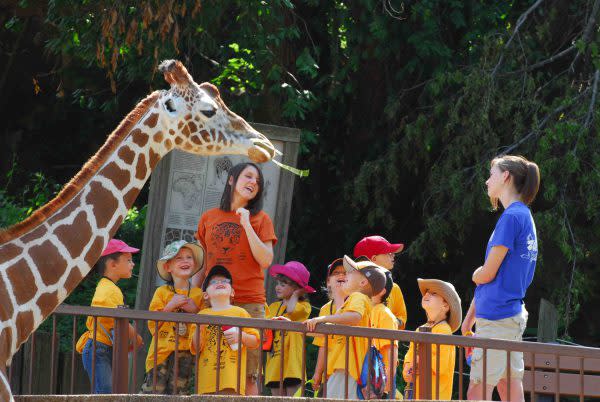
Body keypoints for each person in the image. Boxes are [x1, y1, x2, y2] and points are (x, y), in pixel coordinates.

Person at [193, 162, 277, 395]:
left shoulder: (262, 219)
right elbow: (202, 263)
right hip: (214, 304)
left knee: (249, 375)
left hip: (249, 302)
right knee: (211, 368)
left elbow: (266, 260)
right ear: (231, 179)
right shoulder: (208, 217)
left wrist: (247, 224)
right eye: (248, 176)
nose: (253, 183)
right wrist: (193, 296)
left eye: (257, 181)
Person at [462, 155, 540, 402]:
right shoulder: (523, 216)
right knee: (509, 386)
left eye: (492, 174)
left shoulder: (511, 218)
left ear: (506, 176)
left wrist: (475, 273)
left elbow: (487, 274)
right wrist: (469, 321)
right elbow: (499, 278)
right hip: (508, 317)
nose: (487, 181)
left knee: (477, 389)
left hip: (496, 320)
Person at [304, 255, 385, 399]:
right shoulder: (353, 300)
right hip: (345, 368)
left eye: (350, 272)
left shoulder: (357, 297)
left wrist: (324, 318)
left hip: (347, 368)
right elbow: (323, 336)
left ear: (363, 281)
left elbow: (355, 317)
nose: (345, 274)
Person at [76, 239, 143, 394]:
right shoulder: (109, 289)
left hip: (101, 348)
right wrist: (136, 338)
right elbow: (119, 320)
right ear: (112, 264)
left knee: (106, 392)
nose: (132, 264)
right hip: (98, 348)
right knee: (105, 393)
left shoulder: (108, 287)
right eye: (128, 260)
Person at [141, 240, 204, 394]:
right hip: (161, 352)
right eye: (178, 258)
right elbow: (152, 324)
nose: (185, 261)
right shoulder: (162, 292)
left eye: (189, 257)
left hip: (186, 354)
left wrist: (195, 311)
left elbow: (206, 325)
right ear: (168, 267)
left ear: (195, 265)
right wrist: (170, 306)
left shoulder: (198, 295)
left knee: (179, 394)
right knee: (152, 393)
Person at [190, 265, 260, 395]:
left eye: (224, 281)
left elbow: (255, 341)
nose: (220, 283)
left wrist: (241, 336)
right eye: (214, 282)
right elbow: (196, 346)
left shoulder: (240, 313)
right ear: (205, 295)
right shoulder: (201, 315)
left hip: (233, 382)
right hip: (207, 382)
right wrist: (200, 327)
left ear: (232, 292)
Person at [402, 279, 461, 400]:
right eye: (426, 292)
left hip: (435, 395)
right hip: (417, 392)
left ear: (445, 305)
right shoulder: (420, 329)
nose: (426, 294)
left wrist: (418, 360)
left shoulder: (444, 330)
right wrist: (408, 366)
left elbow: (441, 365)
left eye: (433, 293)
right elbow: (410, 355)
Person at [264, 261, 315, 396]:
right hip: (274, 362)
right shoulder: (274, 306)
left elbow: (292, 310)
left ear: (296, 288)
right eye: (278, 283)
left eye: (283, 284)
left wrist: (296, 295)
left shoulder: (304, 306)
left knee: (293, 398)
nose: (278, 287)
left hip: (293, 363)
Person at [354, 235, 408, 328]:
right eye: (388, 252)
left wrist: (388, 320)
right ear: (374, 259)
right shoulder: (352, 287)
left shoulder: (394, 288)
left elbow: (402, 319)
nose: (393, 255)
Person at [310, 258, 347, 393]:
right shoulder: (325, 309)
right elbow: (323, 344)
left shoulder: (356, 303)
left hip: (348, 369)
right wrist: (317, 373)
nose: (341, 275)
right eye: (336, 273)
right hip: (329, 371)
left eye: (345, 273)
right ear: (328, 282)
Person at [370, 267, 399, 398]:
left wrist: (383, 388)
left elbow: (391, 354)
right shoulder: (365, 310)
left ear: (382, 291)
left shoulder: (385, 314)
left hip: (375, 385)